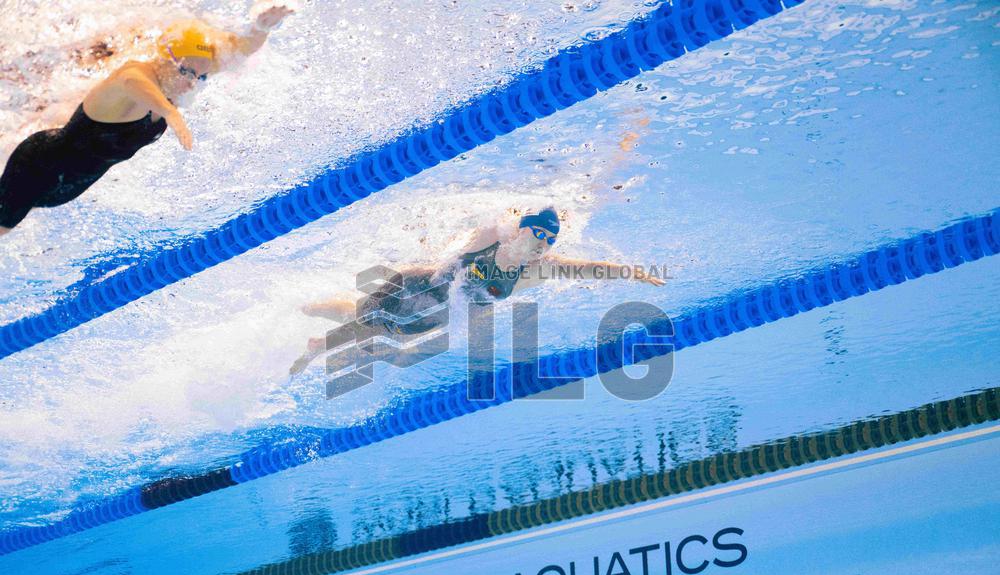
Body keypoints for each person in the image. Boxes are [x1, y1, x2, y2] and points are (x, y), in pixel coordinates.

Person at [0, 5, 294, 237]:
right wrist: (170, 112)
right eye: (186, 71)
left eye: (200, 76)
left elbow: (239, 51)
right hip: (37, 170)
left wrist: (261, 28)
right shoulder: (136, 74)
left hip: (68, 185)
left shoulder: (179, 78)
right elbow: (131, 81)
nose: (192, 83)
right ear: (164, 58)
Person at [289, 206, 668, 375]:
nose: (544, 244)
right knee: (366, 322)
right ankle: (310, 328)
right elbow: (486, 214)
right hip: (415, 283)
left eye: (550, 240)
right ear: (521, 229)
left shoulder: (534, 270)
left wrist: (633, 273)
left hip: (440, 311)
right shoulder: (491, 237)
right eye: (539, 234)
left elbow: (588, 268)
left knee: (384, 336)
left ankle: (310, 326)